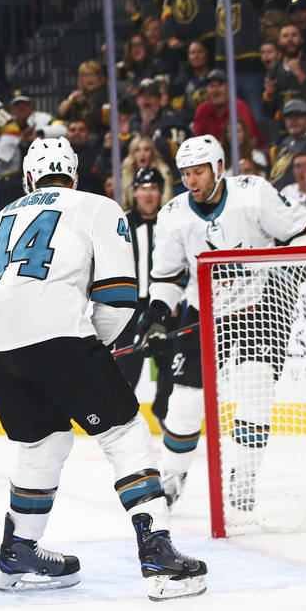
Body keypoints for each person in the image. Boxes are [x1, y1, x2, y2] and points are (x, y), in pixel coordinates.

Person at [0, 137, 206, 601]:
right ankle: (157, 551)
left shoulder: (0, 218)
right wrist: (93, 349)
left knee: (43, 444)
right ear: (74, 176)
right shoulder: (96, 206)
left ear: (28, 179)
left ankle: (19, 549)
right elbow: (119, 298)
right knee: (124, 433)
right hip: (60, 338)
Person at [133, 135, 306, 509]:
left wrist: (287, 276)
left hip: (261, 308)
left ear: (219, 168)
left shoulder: (254, 194)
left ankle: (244, 479)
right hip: (205, 311)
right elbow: (169, 278)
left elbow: (304, 232)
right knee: (185, 402)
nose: (192, 181)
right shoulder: (174, 215)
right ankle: (171, 479)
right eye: (186, 173)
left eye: (199, 171)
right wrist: (155, 317)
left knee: (254, 388)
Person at [114, 167, 173, 423]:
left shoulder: (171, 221)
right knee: (127, 366)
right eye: (143, 188)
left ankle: (163, 411)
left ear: (161, 192)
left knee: (170, 364)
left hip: (164, 304)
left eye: (153, 188)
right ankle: (122, 419)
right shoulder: (123, 222)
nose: (148, 194)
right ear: (134, 192)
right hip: (131, 308)